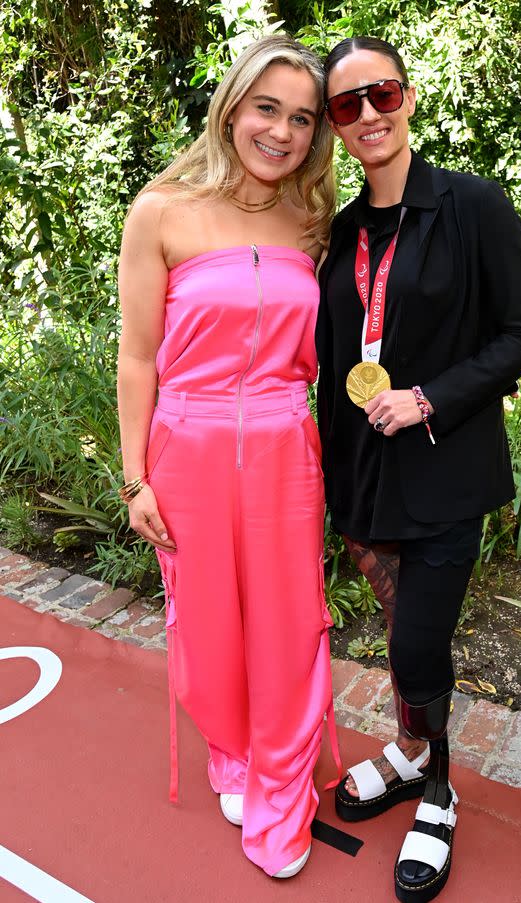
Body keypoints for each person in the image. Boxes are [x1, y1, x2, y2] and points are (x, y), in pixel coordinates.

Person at [316, 36, 521, 902]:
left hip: (445, 468)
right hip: (367, 476)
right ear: (335, 127)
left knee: (418, 639)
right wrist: (327, 479)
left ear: (407, 98)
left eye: (382, 95)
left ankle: (439, 790)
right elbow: (337, 349)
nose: (369, 115)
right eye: (347, 106)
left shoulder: (471, 205)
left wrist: (429, 397)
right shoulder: (344, 229)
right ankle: (412, 753)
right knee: (394, 630)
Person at [117, 34, 341, 880]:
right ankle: (235, 754)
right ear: (232, 107)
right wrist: (136, 475)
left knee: (288, 622)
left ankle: (283, 791)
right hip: (188, 446)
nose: (281, 132)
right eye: (266, 109)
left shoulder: (312, 220)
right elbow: (138, 354)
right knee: (209, 628)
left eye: (301, 118)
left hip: (287, 446)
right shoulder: (161, 210)